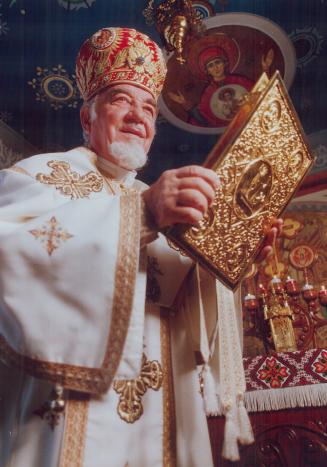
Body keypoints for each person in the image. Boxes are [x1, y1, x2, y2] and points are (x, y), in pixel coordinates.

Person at [0, 27, 280, 467]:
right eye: (121, 100)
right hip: (70, 412)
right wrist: (140, 216)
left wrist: (232, 260)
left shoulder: (165, 199)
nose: (139, 115)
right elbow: (9, 262)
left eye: (149, 107)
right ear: (87, 118)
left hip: (163, 412)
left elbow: (190, 324)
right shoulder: (38, 176)